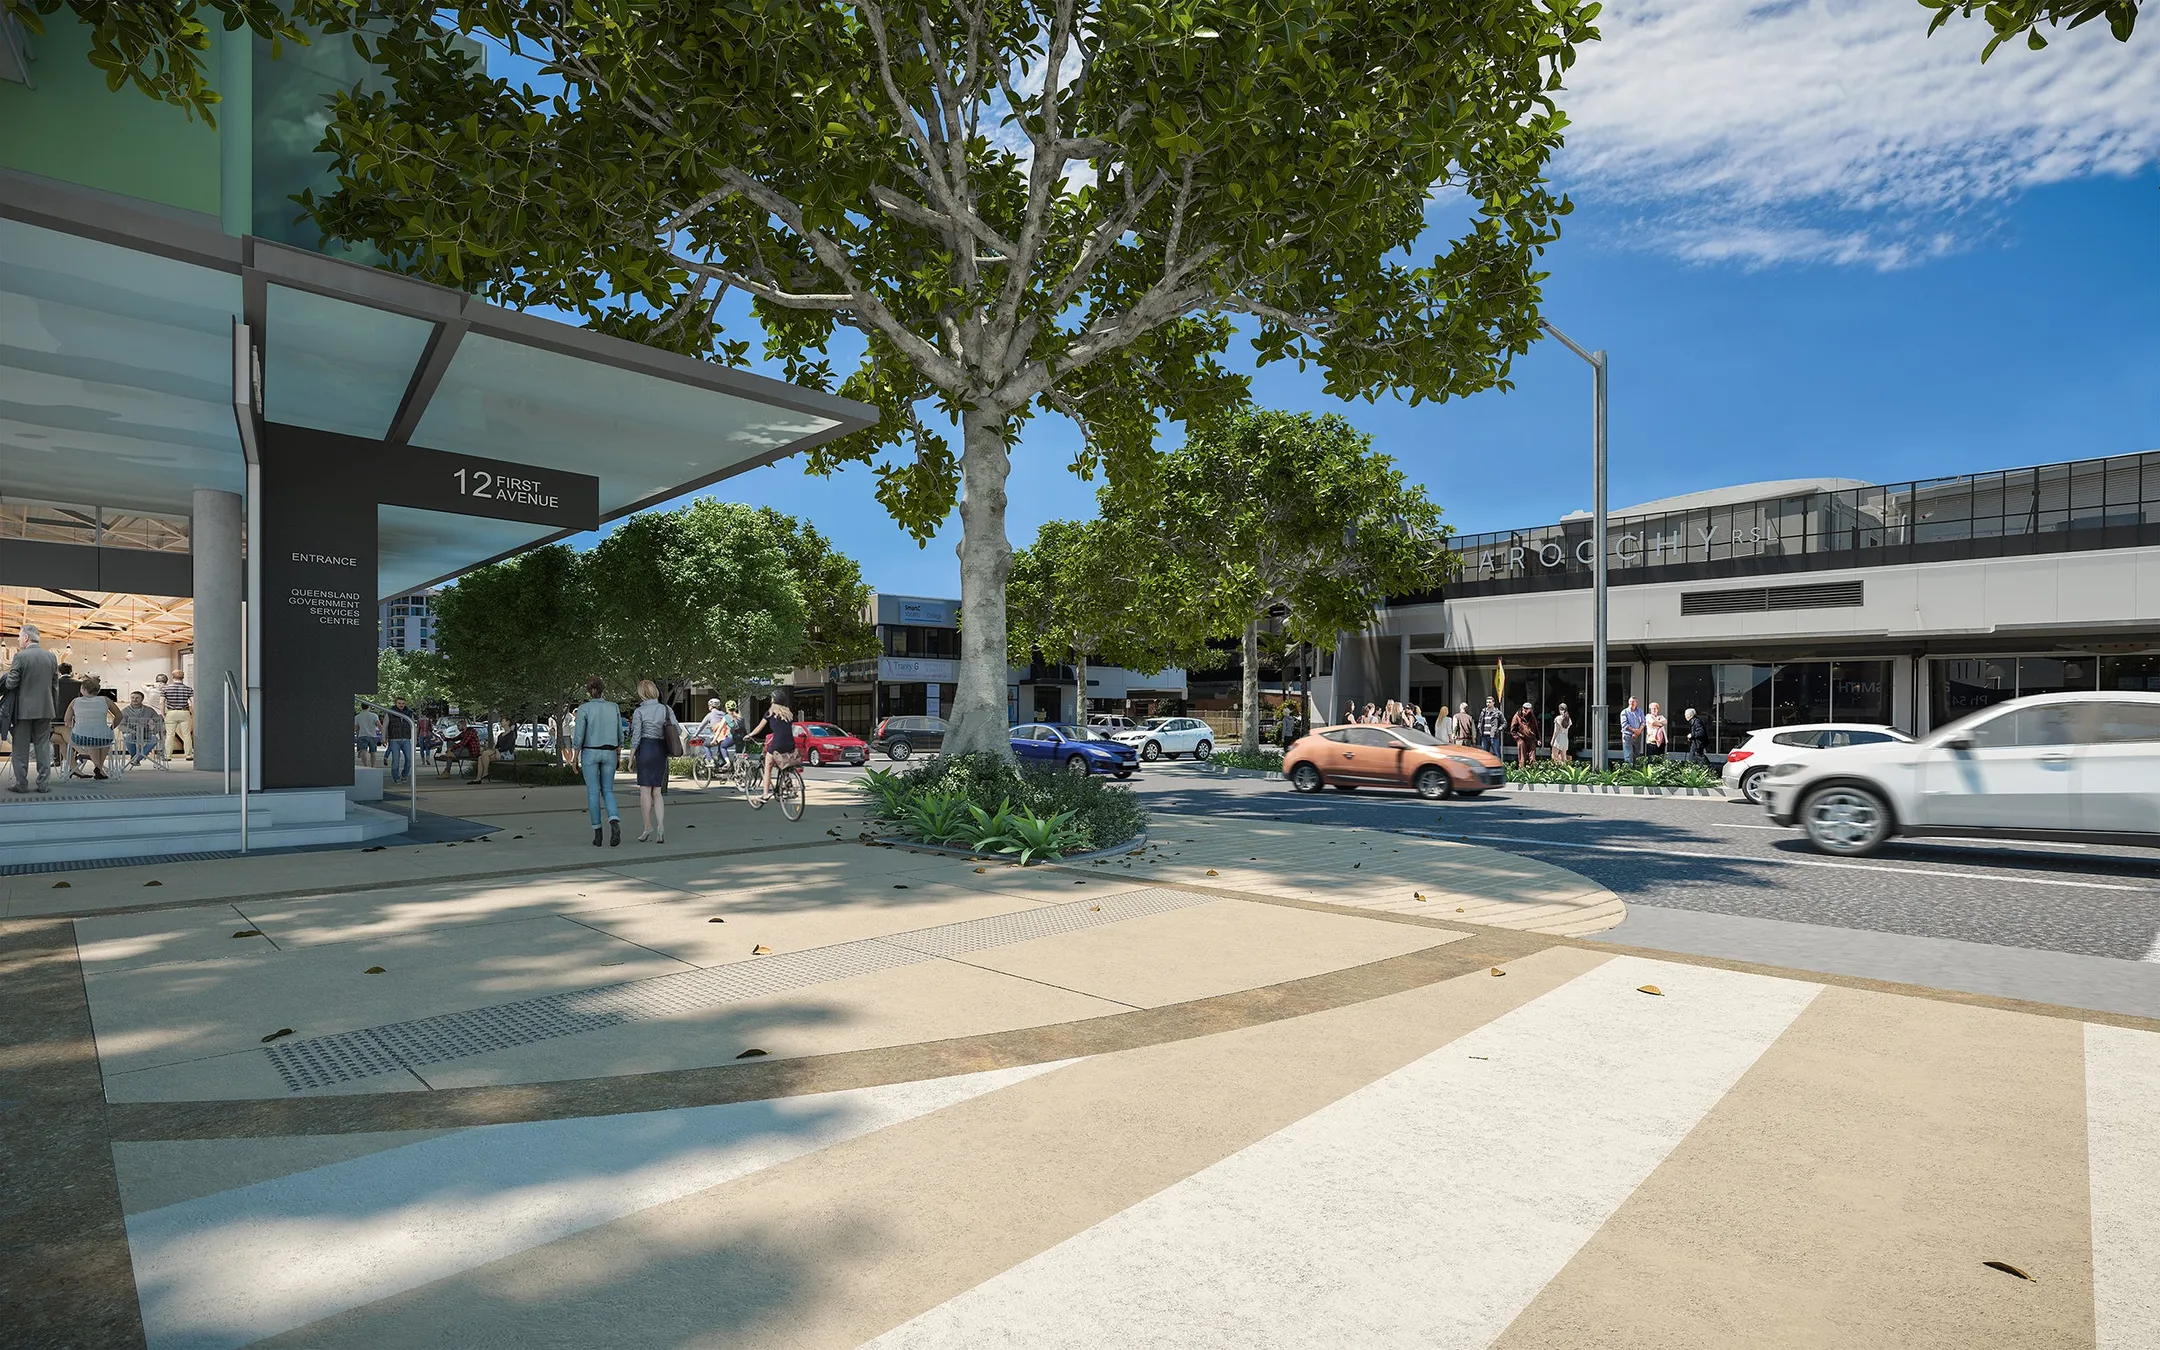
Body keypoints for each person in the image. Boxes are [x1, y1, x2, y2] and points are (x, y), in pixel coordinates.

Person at [4, 623, 60, 793]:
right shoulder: (51, 657)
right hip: (45, 709)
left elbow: (11, 683)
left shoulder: (20, 657)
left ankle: (21, 784)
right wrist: (53, 707)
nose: (18, 639)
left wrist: (7, 677)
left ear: (26, 637)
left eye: (19, 636)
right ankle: (43, 784)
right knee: (42, 746)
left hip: (23, 711)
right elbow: (55, 686)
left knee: (20, 748)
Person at [627, 679, 681, 841]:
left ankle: (647, 826)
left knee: (645, 790)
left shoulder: (639, 712)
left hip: (645, 749)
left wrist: (631, 757)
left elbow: (636, 736)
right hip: (660, 750)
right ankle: (661, 827)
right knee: (657, 791)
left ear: (642, 693)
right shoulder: (666, 709)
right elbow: (677, 729)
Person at [572, 678, 623, 846]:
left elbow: (579, 735)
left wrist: (575, 757)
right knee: (608, 791)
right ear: (603, 690)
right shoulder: (613, 707)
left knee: (593, 793)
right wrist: (618, 753)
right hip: (610, 752)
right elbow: (619, 733)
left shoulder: (584, 709)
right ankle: (614, 821)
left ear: (589, 691)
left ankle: (598, 833)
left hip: (590, 751)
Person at [744, 693, 800, 806]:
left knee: (768, 767)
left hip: (777, 743)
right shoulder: (789, 714)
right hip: (790, 743)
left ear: (773, 701)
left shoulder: (770, 713)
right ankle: (787, 780)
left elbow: (759, 728)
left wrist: (750, 735)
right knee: (783, 762)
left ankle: (765, 794)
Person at [63, 674, 120, 780]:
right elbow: (119, 716)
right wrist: (111, 728)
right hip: (103, 737)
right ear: (98, 690)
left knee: (90, 738)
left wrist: (76, 727)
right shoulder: (106, 700)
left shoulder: (75, 701)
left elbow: (67, 720)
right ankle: (99, 768)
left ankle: (98, 767)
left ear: (83, 689)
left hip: (80, 737)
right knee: (103, 738)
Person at [118, 692, 165, 768]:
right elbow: (121, 725)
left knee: (154, 739)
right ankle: (135, 757)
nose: (134, 699)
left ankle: (137, 759)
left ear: (142, 699)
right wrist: (132, 731)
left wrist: (154, 731)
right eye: (132, 697)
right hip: (131, 733)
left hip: (146, 733)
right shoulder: (125, 711)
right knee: (127, 736)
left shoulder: (149, 710)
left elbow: (158, 720)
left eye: (137, 698)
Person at [694, 697, 734, 774]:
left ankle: (710, 760)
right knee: (721, 747)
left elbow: (701, 727)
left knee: (705, 744)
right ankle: (721, 765)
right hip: (726, 736)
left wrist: (695, 735)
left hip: (718, 736)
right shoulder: (724, 714)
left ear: (710, 706)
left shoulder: (710, 715)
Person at [160, 669, 193, 761]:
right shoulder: (188, 689)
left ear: (172, 677)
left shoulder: (165, 689)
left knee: (170, 735)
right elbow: (193, 702)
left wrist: (163, 713)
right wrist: (192, 712)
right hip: (184, 712)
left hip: (171, 713)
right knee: (186, 735)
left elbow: (161, 702)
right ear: (183, 677)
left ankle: (168, 756)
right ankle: (188, 755)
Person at [472, 715, 513, 784]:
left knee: (484, 755)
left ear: (508, 722)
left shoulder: (512, 733)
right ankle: (478, 778)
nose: (501, 722)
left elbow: (507, 746)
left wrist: (497, 751)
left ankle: (485, 772)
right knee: (480, 757)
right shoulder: (501, 734)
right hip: (498, 752)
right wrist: (496, 750)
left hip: (507, 754)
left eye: (503, 721)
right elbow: (497, 745)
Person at [385, 697, 415, 784]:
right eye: (399, 703)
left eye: (403, 703)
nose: (401, 705)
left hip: (406, 739)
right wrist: (384, 738)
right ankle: (396, 777)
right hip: (394, 739)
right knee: (396, 760)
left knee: (409, 759)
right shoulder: (390, 712)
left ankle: (404, 775)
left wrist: (415, 738)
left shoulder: (409, 713)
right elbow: (385, 726)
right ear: (396, 703)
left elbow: (413, 726)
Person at [1508, 701, 1540, 768]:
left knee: (1532, 756)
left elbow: (1536, 728)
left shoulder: (1532, 717)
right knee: (1522, 757)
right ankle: (1522, 769)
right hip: (1521, 738)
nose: (1525, 710)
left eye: (1527, 709)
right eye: (1524, 708)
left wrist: (1538, 739)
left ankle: (1532, 770)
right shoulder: (1517, 716)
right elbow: (1513, 730)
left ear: (1530, 710)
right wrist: (1518, 739)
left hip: (1531, 738)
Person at [353, 703, 381, 768]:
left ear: (361, 707)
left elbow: (356, 728)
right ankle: (373, 766)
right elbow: (379, 725)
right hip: (372, 736)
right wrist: (383, 733)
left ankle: (365, 766)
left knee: (363, 751)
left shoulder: (357, 716)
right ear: (369, 707)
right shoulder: (374, 715)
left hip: (362, 735)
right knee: (373, 752)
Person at [1620, 696, 1646, 765]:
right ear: (1628, 702)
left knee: (1637, 754)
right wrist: (1634, 731)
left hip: (1638, 736)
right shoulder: (1624, 712)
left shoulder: (1640, 711)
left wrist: (1638, 732)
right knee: (1628, 755)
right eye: (1630, 701)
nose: (1632, 703)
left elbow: (1643, 722)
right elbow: (1624, 724)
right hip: (1628, 736)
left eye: (1633, 701)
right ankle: (1628, 770)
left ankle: (1636, 769)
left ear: (1636, 703)